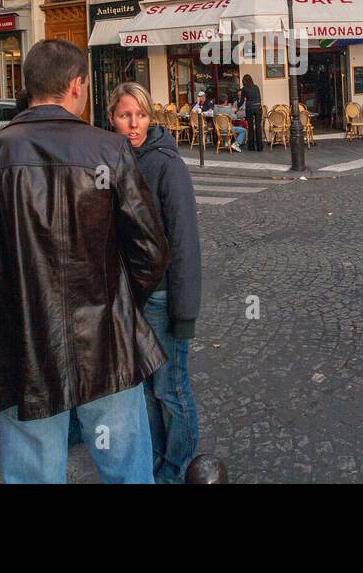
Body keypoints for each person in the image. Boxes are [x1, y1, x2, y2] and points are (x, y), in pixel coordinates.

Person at [0, 39, 170, 484]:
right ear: (77, 85)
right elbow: (151, 253)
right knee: (124, 467)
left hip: (21, 342)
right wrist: (117, 304)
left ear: (28, 87)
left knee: (33, 471)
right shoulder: (110, 151)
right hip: (105, 339)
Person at [108, 82, 201, 482]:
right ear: (111, 116)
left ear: (151, 116)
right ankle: (156, 462)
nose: (133, 124)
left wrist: (185, 312)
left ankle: (176, 470)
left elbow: (184, 240)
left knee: (170, 389)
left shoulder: (166, 164)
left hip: (162, 297)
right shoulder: (110, 161)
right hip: (129, 297)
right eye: (125, 115)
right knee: (144, 391)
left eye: (141, 114)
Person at [241, 74, 264, 152]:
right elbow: (259, 98)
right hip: (258, 107)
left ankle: (251, 146)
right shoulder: (256, 87)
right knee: (258, 127)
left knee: (250, 127)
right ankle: (260, 147)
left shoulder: (244, 89)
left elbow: (241, 101)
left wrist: (237, 108)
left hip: (250, 108)